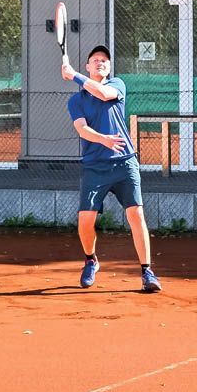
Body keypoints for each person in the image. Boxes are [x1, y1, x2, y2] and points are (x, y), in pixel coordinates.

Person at [62, 45, 162, 292]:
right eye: (95, 60)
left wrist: (75, 75)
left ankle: (147, 272)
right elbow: (81, 129)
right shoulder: (76, 101)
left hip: (125, 162)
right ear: (88, 66)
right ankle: (91, 260)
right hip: (95, 166)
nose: (100, 63)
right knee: (86, 220)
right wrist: (102, 139)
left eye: (104, 60)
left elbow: (104, 94)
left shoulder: (117, 85)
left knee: (136, 214)